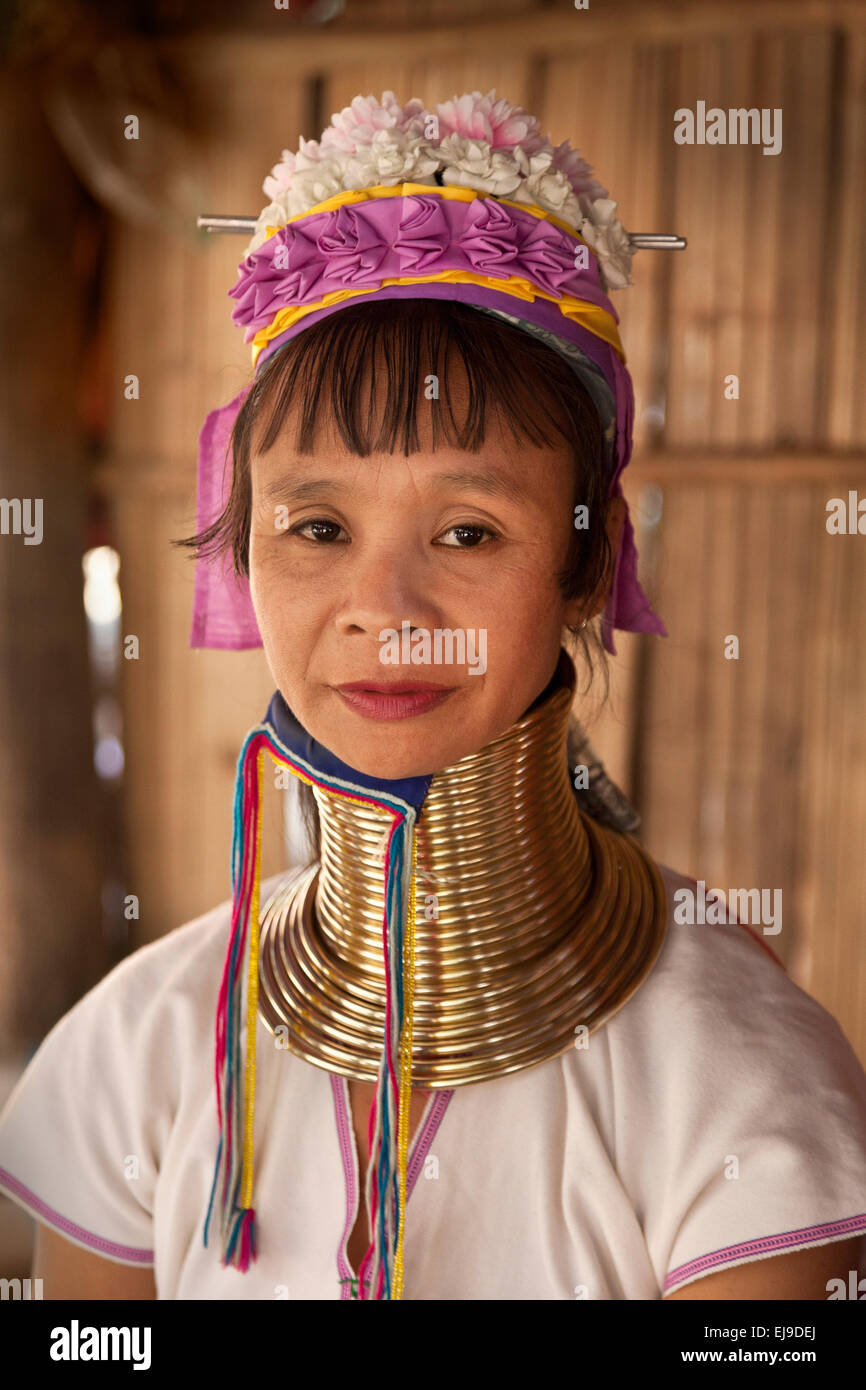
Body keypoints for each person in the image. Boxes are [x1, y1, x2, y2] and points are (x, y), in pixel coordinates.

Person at [1, 90, 865, 1301]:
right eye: (314, 526)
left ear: (583, 562)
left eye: (466, 529)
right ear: (243, 559)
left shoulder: (735, 1078)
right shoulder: (136, 1048)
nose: (383, 606)